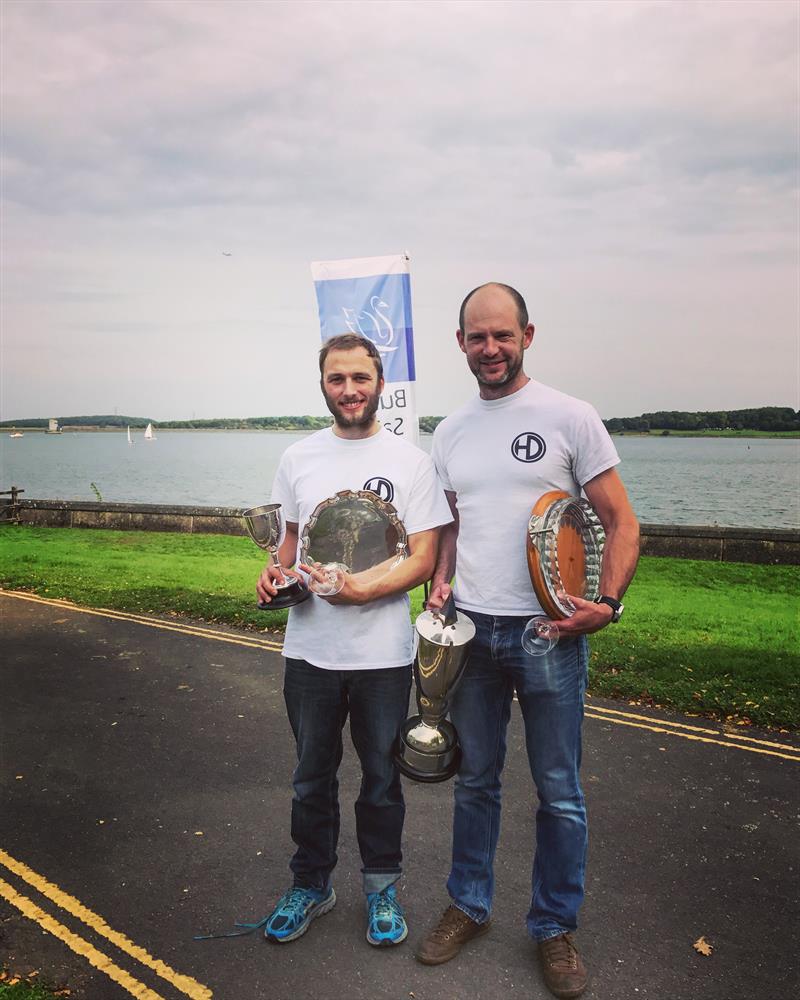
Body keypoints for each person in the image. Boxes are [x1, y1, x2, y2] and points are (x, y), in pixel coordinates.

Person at [415, 283, 640, 999]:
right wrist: (441, 582)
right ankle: (470, 906)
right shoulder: (447, 432)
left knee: (559, 791)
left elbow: (621, 521)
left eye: (502, 335)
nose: (490, 348)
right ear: (460, 344)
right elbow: (450, 526)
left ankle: (553, 928)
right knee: (476, 781)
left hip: (551, 632)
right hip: (473, 635)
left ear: (527, 336)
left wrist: (607, 604)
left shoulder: (571, 417)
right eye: (477, 337)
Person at [256, 333, 452, 949]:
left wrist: (362, 593)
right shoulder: (298, 459)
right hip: (309, 653)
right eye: (337, 379)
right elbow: (289, 546)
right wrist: (272, 575)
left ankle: (381, 887)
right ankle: (311, 884)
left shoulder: (411, 462)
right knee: (311, 776)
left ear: (379, 385)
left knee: (380, 779)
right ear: (323, 385)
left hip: (383, 657)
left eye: (360, 379)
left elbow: (424, 558)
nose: (349, 390)